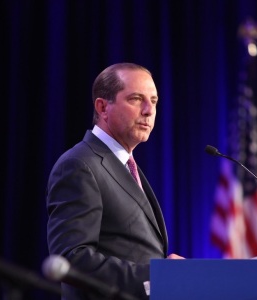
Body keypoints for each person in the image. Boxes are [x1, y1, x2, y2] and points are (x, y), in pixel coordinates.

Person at [46, 62, 184, 300]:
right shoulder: (80, 165)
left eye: (154, 101)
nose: (148, 110)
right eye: (136, 99)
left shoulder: (126, 166)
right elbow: (71, 259)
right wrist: (158, 275)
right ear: (102, 107)